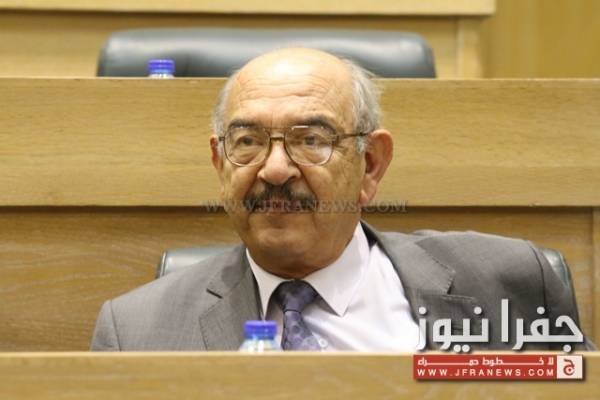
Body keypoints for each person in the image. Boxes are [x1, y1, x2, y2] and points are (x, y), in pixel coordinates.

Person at [91, 48, 593, 351]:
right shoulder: (136, 332)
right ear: (220, 162)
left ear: (370, 164)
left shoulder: (509, 285)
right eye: (247, 141)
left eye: (311, 140)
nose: (275, 169)